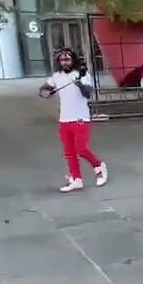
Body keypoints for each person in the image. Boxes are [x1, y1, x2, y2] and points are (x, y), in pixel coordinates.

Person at [39, 48, 108, 193]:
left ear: (73, 60)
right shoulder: (56, 76)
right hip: (64, 118)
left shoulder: (81, 74)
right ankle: (76, 179)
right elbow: (45, 88)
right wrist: (44, 92)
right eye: (62, 60)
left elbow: (88, 93)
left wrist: (80, 84)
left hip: (80, 117)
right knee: (69, 152)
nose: (64, 62)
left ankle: (98, 166)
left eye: (67, 59)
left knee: (81, 149)